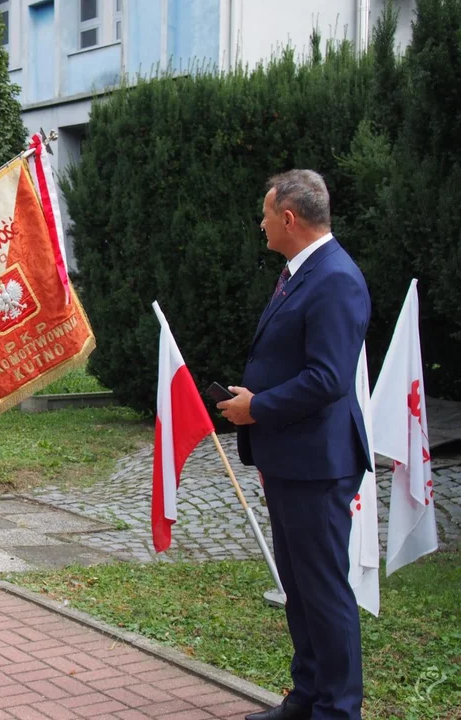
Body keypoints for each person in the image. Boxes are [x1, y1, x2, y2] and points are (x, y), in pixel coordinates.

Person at [219, 170, 370, 720]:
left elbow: (328, 379)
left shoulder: (335, 278)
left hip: (318, 463)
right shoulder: (298, 273)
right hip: (291, 458)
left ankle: (337, 709)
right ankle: (306, 695)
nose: (260, 224)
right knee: (300, 591)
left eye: (265, 214)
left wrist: (256, 408)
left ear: (288, 217)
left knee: (324, 592)